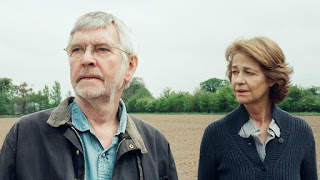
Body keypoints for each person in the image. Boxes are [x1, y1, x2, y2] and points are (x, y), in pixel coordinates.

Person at [0, 11, 178, 180]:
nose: (86, 59)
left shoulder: (156, 145)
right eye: (77, 49)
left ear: (130, 66)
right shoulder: (24, 135)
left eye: (102, 49)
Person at [198, 37, 317, 179]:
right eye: (235, 72)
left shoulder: (301, 132)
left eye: (248, 72)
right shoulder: (215, 135)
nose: (238, 80)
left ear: (272, 78)